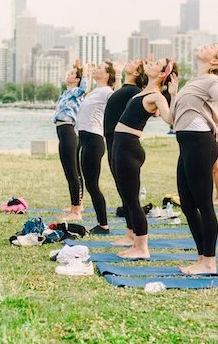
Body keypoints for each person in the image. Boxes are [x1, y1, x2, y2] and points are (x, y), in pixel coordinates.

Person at [171, 44, 218, 274]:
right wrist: (174, 92)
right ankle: (202, 257)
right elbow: (174, 116)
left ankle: (209, 262)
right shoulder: (195, 81)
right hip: (187, 144)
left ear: (215, 62)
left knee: (203, 204)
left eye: (212, 47)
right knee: (187, 202)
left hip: (200, 143)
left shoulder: (213, 80)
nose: (205, 45)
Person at [110, 57, 178, 258]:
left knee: (132, 200)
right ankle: (133, 240)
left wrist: (173, 95)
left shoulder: (157, 96)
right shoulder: (144, 92)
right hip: (121, 146)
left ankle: (142, 248)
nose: (152, 64)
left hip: (129, 148)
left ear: (163, 73)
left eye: (157, 63)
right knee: (127, 197)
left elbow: (170, 119)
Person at [64, 61, 117, 231]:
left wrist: (121, 74)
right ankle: (102, 223)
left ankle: (104, 225)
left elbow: (119, 101)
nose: (96, 69)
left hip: (94, 141)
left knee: (93, 185)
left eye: (100, 68)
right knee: (89, 184)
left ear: (108, 74)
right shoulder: (95, 91)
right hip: (85, 140)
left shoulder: (108, 92)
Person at [103, 59, 147, 215]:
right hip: (111, 138)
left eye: (135, 63)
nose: (130, 61)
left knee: (124, 180)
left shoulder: (135, 91)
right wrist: (118, 74)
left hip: (119, 139)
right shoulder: (125, 89)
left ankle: (132, 211)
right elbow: (116, 93)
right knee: (118, 179)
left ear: (136, 73)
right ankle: (126, 207)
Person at [53, 60, 86, 214]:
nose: (69, 75)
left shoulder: (76, 92)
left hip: (68, 131)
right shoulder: (67, 93)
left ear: (78, 79)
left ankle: (76, 209)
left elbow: (84, 88)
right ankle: (78, 204)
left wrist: (83, 71)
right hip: (62, 132)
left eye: (73, 74)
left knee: (72, 171)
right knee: (73, 171)